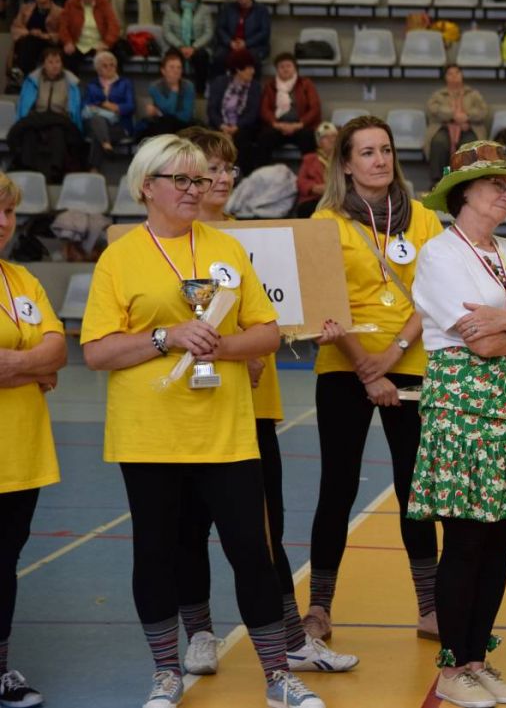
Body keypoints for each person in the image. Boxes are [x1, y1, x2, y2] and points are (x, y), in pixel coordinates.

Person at [80, 135, 325, 708]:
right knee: (156, 554)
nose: (195, 189)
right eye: (182, 180)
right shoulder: (119, 257)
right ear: (147, 187)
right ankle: (166, 673)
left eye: (200, 180)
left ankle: (277, 676)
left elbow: (268, 332)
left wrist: (223, 345)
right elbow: (96, 351)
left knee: (252, 553)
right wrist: (166, 337)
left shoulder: (227, 249)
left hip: (227, 434)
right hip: (148, 435)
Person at [169, 126, 358, 680]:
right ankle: (199, 633)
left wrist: (318, 323)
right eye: (211, 168)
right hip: (188, 410)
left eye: (228, 168)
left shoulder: (254, 239)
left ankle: (292, 641)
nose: (223, 178)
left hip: (254, 408)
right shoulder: (168, 245)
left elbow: (279, 315)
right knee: (187, 529)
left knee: (263, 531)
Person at [411, 141, 506, 707]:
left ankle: (477, 658)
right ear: (463, 192)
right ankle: (453, 667)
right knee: (467, 541)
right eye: (496, 184)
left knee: (501, 541)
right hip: (466, 412)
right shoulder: (440, 255)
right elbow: (479, 343)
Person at [304, 116, 443, 643]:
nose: (380, 160)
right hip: (345, 365)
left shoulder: (423, 218)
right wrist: (367, 367)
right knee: (337, 487)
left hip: (410, 361)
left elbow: (434, 294)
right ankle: (319, 607)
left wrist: (393, 354)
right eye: (366, 152)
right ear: (345, 164)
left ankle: (430, 608)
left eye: (385, 150)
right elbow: (323, 302)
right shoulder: (325, 223)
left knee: (415, 489)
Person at [0, 171, 67, 708]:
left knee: (4, 564)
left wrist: (20, 365)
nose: (3, 222)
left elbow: (58, 350)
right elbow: (42, 358)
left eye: (8, 212)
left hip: (21, 454)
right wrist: (34, 366)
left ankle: (0, 670)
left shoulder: (22, 280)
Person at [10, 46, 84, 181]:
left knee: (57, 132)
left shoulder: (71, 83)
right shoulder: (32, 81)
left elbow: (73, 109)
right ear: (43, 64)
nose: (55, 65)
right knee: (29, 132)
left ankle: (56, 171)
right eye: (50, 62)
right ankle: (27, 168)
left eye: (58, 62)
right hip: (37, 117)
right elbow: (25, 105)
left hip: (60, 118)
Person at [424, 65, 489, 185]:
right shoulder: (439, 95)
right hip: (444, 128)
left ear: (462, 75)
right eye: (450, 73)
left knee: (468, 145)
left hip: (469, 128)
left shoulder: (473, 94)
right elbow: (432, 109)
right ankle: (441, 180)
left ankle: (466, 181)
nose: (454, 76)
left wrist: (467, 116)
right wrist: (453, 115)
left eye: (457, 73)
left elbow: (483, 111)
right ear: (445, 77)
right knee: (439, 143)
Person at [257, 51, 322, 169]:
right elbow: (264, 109)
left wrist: (299, 124)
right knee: (264, 138)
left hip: (300, 126)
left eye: (288, 66)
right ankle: (261, 174)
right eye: (281, 67)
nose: (285, 69)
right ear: (277, 70)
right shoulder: (270, 86)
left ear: (295, 68)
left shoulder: (306, 84)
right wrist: (276, 124)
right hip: (278, 126)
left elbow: (315, 108)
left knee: (308, 138)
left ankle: (309, 174)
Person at [206, 49, 262, 172]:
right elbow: (212, 109)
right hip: (220, 126)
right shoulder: (219, 82)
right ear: (238, 69)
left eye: (253, 68)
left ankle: (243, 176)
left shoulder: (255, 87)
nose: (253, 71)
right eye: (249, 68)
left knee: (243, 139)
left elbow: (253, 113)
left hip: (243, 127)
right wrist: (222, 126)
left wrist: (236, 127)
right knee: (213, 138)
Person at [82, 50, 134, 171]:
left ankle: (94, 169)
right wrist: (104, 106)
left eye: (112, 65)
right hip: (96, 122)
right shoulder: (92, 85)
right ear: (98, 69)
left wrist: (114, 107)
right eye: (105, 66)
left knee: (97, 133)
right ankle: (106, 144)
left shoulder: (125, 83)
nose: (110, 68)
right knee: (97, 120)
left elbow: (130, 106)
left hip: (119, 125)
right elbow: (85, 105)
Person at [162, 0, 215, 91]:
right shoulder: (171, 8)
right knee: (171, 57)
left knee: (202, 56)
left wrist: (194, 47)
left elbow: (208, 32)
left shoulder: (205, 10)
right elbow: (167, 31)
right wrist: (180, 46)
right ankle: (172, 89)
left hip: (197, 45)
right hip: (178, 44)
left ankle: (200, 91)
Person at [59, 0, 121, 76]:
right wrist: (68, 42)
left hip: (100, 43)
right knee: (67, 57)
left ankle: (115, 82)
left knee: (116, 54)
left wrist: (106, 43)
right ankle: (73, 84)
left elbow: (114, 25)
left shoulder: (103, 3)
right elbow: (63, 26)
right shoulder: (70, 4)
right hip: (78, 44)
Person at [8, 0, 60, 83]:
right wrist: (29, 32)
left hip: (48, 44)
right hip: (28, 41)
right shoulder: (25, 9)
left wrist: (45, 35)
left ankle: (23, 75)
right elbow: (15, 28)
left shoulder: (60, 12)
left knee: (30, 42)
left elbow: (62, 34)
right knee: (29, 41)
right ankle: (25, 76)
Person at [214, 0, 271, 74]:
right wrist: (230, 42)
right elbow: (220, 29)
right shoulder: (227, 8)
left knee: (252, 57)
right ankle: (220, 82)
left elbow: (264, 33)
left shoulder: (261, 10)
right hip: (230, 45)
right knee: (219, 57)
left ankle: (253, 83)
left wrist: (246, 43)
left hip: (254, 46)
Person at [139, 50, 196, 139]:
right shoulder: (155, 87)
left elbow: (186, 116)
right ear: (163, 70)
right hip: (162, 125)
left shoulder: (188, 86)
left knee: (168, 120)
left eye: (179, 67)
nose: (176, 71)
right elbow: (167, 109)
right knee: (161, 123)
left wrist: (160, 112)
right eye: (172, 67)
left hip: (184, 125)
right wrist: (174, 90)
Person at [295, 121, 337, 218]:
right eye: (326, 137)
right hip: (314, 198)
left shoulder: (344, 159)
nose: (331, 140)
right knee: (307, 210)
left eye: (334, 136)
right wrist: (314, 188)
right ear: (319, 142)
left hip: (336, 199)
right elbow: (300, 182)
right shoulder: (309, 159)